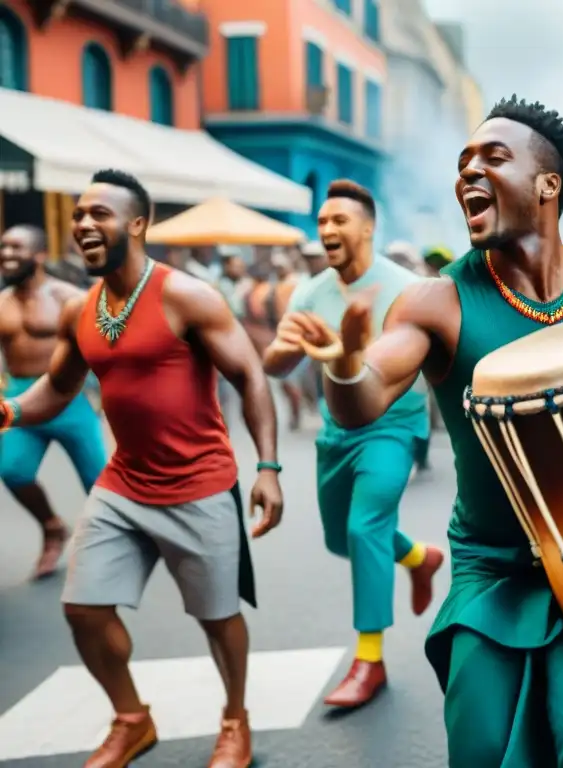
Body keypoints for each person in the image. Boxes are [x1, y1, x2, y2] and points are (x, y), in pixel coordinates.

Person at [300, 95, 563, 766]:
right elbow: (365, 399)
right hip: (493, 567)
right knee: (481, 747)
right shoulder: (436, 299)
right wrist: (346, 363)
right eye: (462, 160)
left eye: (493, 158)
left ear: (548, 185)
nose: (468, 171)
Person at [0, 169, 284, 767]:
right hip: (124, 484)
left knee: (218, 617)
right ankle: (131, 720)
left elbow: (250, 375)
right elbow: (57, 387)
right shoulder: (82, 308)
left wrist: (268, 467)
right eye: (78, 215)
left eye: (98, 214)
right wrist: (11, 410)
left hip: (200, 485)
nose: (83, 225)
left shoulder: (187, 296)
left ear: (137, 224)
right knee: (83, 609)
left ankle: (236, 719)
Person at [263, 179, 444, 710]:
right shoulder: (310, 290)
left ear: (367, 228)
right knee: (343, 538)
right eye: (322, 223)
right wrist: (289, 344)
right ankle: (418, 557)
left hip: (393, 424)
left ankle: (369, 660)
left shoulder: (406, 288)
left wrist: (352, 348)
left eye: (338, 221)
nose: (327, 230)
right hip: (335, 431)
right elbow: (275, 362)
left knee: (365, 526)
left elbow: (402, 363)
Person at [0, 224, 106, 578]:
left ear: (40, 255)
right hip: (18, 399)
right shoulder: (1, 302)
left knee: (98, 481)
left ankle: (115, 543)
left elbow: (104, 345)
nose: (7, 255)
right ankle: (51, 527)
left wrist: (109, 392)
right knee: (12, 470)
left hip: (68, 398)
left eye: (17, 248)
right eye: (4, 248)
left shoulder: (67, 297)